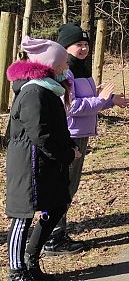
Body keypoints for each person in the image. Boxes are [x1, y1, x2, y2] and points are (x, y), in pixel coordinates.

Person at [42, 23, 129, 256]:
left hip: (80, 134)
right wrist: (101, 100)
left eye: (85, 44)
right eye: (77, 45)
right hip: (70, 135)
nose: (83, 49)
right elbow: (70, 107)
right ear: (64, 47)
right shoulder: (65, 71)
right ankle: (53, 238)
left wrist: (111, 100)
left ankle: (57, 232)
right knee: (64, 188)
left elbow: (89, 98)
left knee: (69, 187)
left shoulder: (80, 68)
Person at [5, 37, 81, 281]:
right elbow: (41, 134)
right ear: (50, 65)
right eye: (63, 65)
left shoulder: (48, 90)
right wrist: (67, 154)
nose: (66, 68)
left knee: (57, 205)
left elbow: (56, 128)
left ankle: (31, 258)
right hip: (29, 164)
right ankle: (17, 271)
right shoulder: (33, 92)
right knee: (22, 216)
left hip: (45, 163)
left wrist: (69, 145)